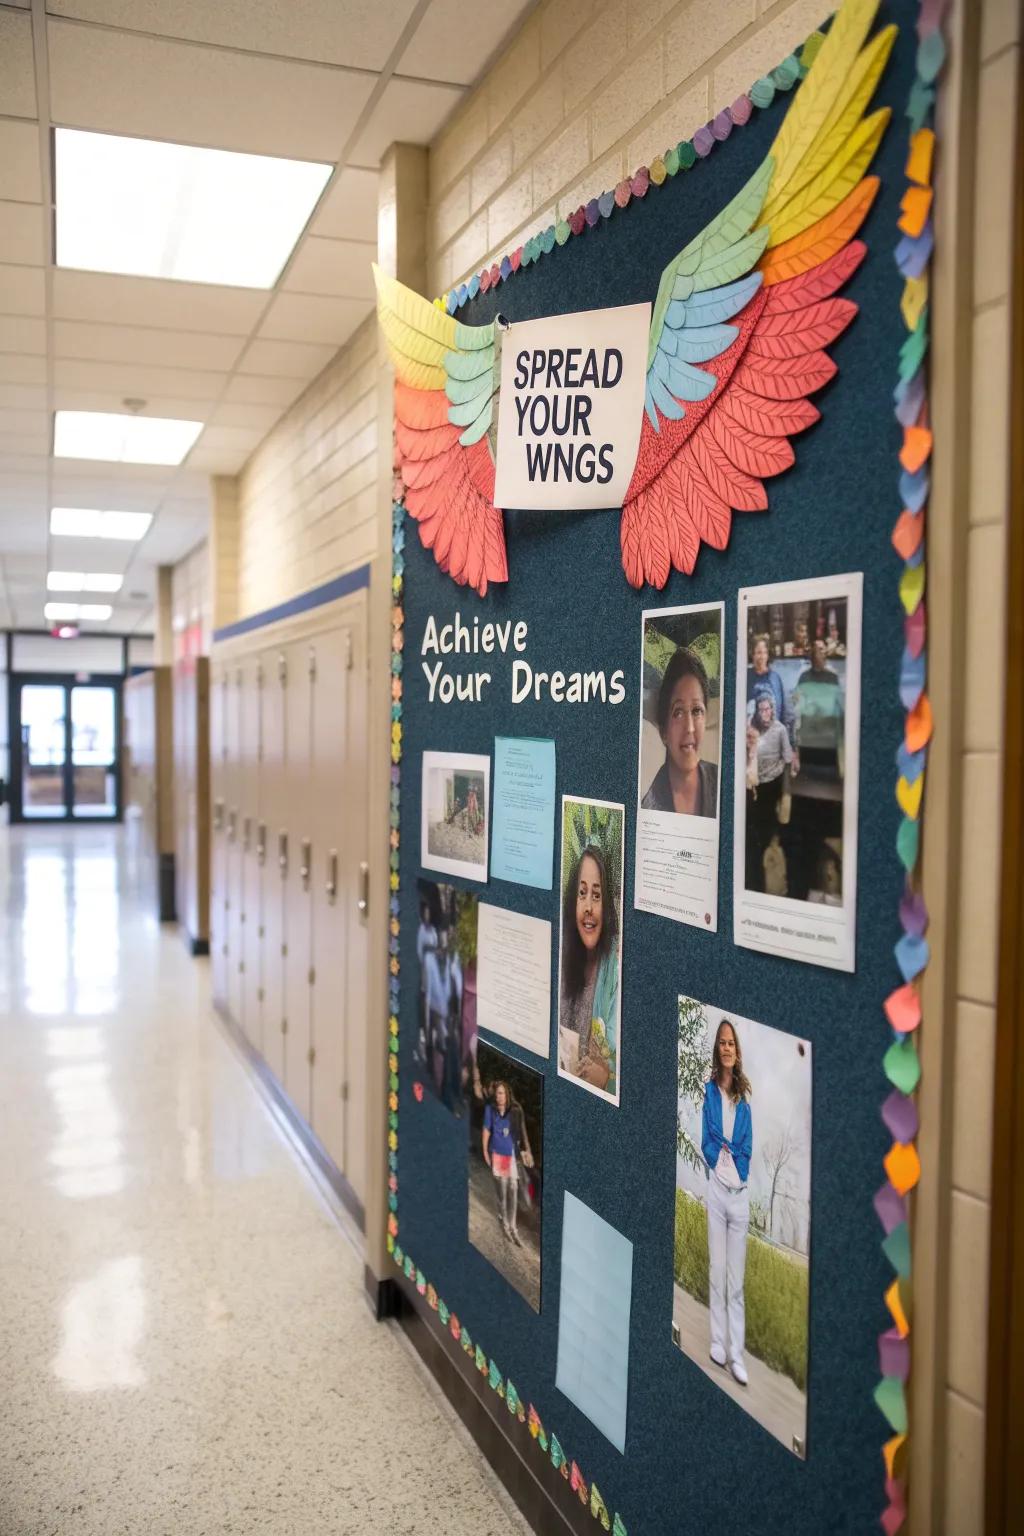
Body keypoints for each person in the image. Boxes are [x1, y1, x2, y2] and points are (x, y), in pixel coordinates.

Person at [701, 1018, 753, 1386]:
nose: (727, 1048)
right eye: (722, 1042)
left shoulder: (744, 1103)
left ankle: (737, 1354)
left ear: (737, 1050)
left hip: (740, 1196)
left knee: (736, 1282)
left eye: (731, 1042)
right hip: (716, 1192)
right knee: (717, 1273)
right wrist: (717, 1154)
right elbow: (707, 1137)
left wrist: (732, 1155)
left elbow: (745, 1147)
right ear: (717, 1049)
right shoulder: (708, 1093)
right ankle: (718, 1343)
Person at [558, 844, 619, 1094]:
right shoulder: (562, 952)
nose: (588, 908)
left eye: (596, 896)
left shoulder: (615, 968)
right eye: (582, 894)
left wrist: (606, 1076)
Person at [641, 648, 718, 817]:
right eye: (678, 712)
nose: (689, 727)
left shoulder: (721, 782)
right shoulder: (649, 808)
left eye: (697, 710)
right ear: (664, 732)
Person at [745, 689, 793, 891]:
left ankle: (771, 882)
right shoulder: (752, 729)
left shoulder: (780, 730)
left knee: (768, 834)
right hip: (755, 787)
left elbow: (788, 760)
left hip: (773, 785)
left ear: (772, 710)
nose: (764, 712)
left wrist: (786, 793)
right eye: (761, 709)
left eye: (767, 709)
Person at [482, 1080, 534, 1246]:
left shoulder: (515, 1112)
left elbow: (520, 1134)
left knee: (513, 1189)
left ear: (507, 1094)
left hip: (511, 1156)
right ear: (495, 1095)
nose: (500, 1096)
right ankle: (504, 1224)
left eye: (502, 1093)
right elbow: (486, 1131)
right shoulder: (490, 1110)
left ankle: (513, 1228)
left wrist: (525, 1152)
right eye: (498, 1093)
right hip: (497, 1155)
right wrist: (485, 1151)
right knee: (502, 1193)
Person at [746, 636, 798, 774]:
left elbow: (786, 713)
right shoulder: (746, 676)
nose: (761, 656)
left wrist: (792, 746)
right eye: (758, 652)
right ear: (752, 654)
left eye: (764, 652)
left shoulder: (775, 678)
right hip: (752, 743)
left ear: (768, 655)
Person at [416, 899, 438, 1063]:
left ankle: (431, 1036)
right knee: (425, 1004)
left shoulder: (433, 931)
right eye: (426, 912)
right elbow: (419, 952)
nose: (428, 915)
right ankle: (424, 1034)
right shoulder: (422, 930)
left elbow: (435, 948)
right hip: (425, 971)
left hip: (433, 972)